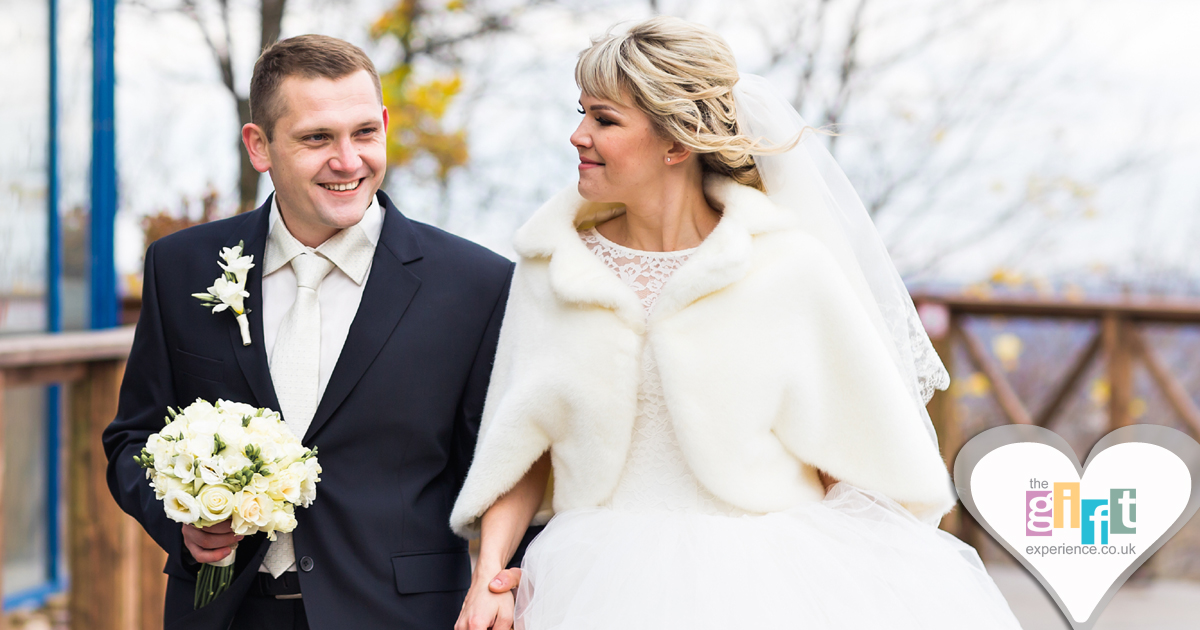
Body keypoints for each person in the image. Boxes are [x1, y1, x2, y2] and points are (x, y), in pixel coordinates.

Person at [450, 17, 1024, 630]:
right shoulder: (551, 269)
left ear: (677, 143)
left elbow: (857, 461)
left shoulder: (788, 269)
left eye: (604, 120)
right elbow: (522, 450)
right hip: (584, 586)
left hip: (770, 585)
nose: (577, 135)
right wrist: (488, 579)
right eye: (582, 112)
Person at [103, 35, 530, 630]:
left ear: (385, 125)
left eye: (364, 133)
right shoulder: (182, 267)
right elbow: (133, 438)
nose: (348, 160)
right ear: (259, 146)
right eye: (316, 138)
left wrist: (505, 582)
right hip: (222, 614)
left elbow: (504, 469)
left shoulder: (478, 285)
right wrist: (180, 517)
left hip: (398, 616)